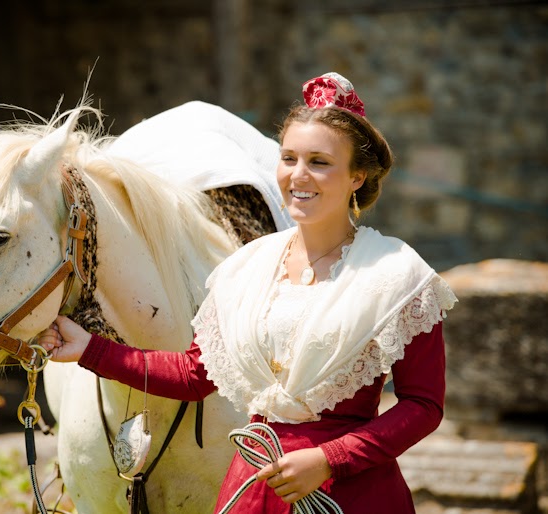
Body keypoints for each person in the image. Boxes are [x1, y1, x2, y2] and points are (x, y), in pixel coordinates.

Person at [37, 72, 457, 513]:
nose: (298, 175)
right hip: (252, 490)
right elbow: (193, 376)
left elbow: (423, 405)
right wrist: (90, 350)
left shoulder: (396, 273)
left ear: (357, 176)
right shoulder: (245, 268)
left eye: (319, 162)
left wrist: (329, 459)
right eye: (289, 158)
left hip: (352, 493)